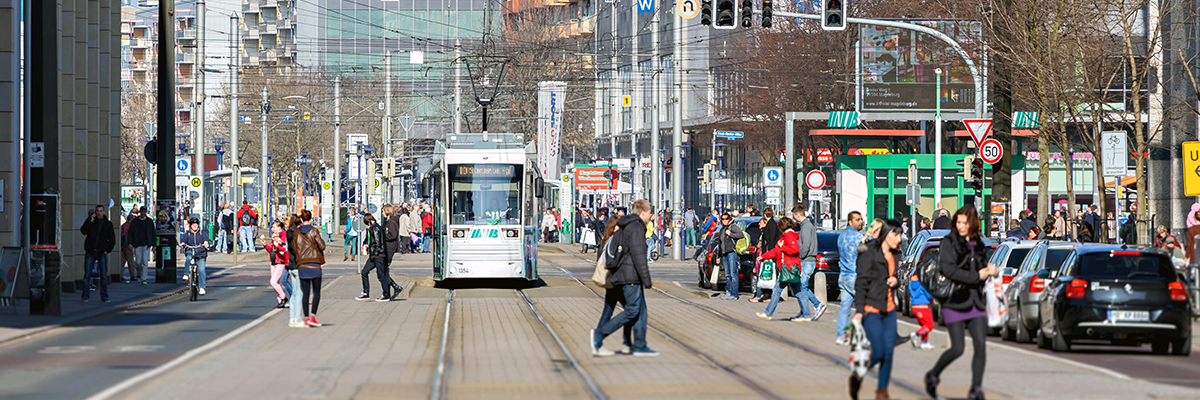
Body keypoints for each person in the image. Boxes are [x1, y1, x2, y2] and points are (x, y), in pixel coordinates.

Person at [925, 207, 996, 400]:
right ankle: (933, 375)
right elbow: (948, 270)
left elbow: (982, 268)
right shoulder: (948, 242)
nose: (961, 226)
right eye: (958, 222)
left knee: (980, 346)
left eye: (965, 223)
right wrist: (976, 276)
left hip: (975, 301)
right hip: (954, 300)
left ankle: (976, 388)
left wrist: (991, 271)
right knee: (957, 348)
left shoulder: (978, 243)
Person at [592, 199, 658, 357]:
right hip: (630, 276)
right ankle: (600, 333)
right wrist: (646, 279)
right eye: (650, 213)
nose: (651, 216)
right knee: (632, 310)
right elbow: (638, 256)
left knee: (640, 311)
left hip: (625, 274)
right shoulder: (636, 227)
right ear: (643, 212)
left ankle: (638, 344)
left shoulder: (628, 225)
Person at [849, 219, 905, 400]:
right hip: (871, 308)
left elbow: (896, 277)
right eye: (895, 235)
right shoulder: (869, 253)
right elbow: (861, 283)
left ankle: (882, 392)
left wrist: (896, 281)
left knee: (888, 353)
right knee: (879, 351)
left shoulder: (896, 254)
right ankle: (858, 374)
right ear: (886, 234)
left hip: (889, 310)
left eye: (900, 235)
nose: (899, 239)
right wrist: (859, 311)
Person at [592, 217, 633, 356]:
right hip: (616, 281)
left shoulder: (610, 239)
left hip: (614, 281)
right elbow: (613, 261)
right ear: (613, 227)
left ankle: (599, 342)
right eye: (618, 226)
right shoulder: (614, 240)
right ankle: (622, 342)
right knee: (630, 310)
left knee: (609, 311)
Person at [755, 217, 800, 320]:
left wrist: (782, 247)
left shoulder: (788, 236)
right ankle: (813, 308)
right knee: (800, 292)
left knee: (777, 290)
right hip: (787, 267)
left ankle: (768, 313)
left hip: (788, 267)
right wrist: (763, 256)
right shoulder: (784, 236)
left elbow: (794, 249)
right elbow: (776, 251)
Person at [290, 210, 327, 327]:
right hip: (314, 264)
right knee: (316, 292)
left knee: (305, 293)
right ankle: (313, 317)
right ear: (311, 219)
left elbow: (295, 249)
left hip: (302, 265)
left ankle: (306, 318)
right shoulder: (314, 231)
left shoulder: (296, 233)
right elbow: (322, 246)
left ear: (301, 219)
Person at [792, 205, 826, 321]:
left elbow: (805, 246)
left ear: (798, 215)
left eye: (794, 216)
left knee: (802, 287)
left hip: (807, 260)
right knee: (802, 286)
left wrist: (799, 257)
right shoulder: (807, 225)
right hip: (808, 259)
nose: (794, 218)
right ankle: (804, 312)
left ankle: (817, 305)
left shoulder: (806, 227)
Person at [835, 211, 865, 345]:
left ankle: (841, 336)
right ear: (850, 222)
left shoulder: (841, 236)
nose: (861, 222)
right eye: (858, 219)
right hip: (855, 276)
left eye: (861, 219)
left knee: (844, 308)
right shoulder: (858, 237)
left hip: (844, 275)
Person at [80, 205, 115, 303]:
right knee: (87, 275)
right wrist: (90, 220)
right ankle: (85, 296)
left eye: (101, 211)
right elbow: (83, 231)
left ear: (103, 212)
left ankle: (104, 296)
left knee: (103, 275)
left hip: (101, 251)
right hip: (91, 251)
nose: (99, 213)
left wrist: (107, 249)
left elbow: (112, 239)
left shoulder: (108, 224)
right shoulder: (91, 222)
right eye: (97, 211)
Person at [357, 214, 395, 302]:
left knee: (381, 275)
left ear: (369, 221)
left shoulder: (375, 228)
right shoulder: (374, 228)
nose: (367, 225)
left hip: (378, 255)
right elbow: (372, 241)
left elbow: (377, 243)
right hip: (374, 255)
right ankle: (366, 293)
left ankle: (386, 294)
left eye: (367, 223)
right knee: (364, 271)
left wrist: (373, 250)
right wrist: (368, 244)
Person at [179, 217, 211, 296]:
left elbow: (206, 239)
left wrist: (206, 243)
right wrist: (182, 243)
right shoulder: (188, 233)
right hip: (190, 250)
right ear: (190, 225)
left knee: (201, 270)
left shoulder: (202, 233)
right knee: (188, 258)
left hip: (201, 252)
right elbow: (184, 240)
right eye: (193, 225)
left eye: (196, 224)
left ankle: (201, 287)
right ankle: (186, 274)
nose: (195, 226)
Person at [716, 212, 745, 300]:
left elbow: (741, 235)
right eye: (723, 219)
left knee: (733, 273)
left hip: (732, 252)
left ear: (729, 219)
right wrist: (718, 256)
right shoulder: (722, 229)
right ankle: (728, 291)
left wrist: (730, 234)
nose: (725, 220)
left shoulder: (733, 227)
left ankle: (734, 293)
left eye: (726, 219)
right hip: (724, 254)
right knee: (727, 274)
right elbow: (720, 243)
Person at [263, 220, 290, 308]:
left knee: (273, 282)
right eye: (272, 227)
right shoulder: (274, 236)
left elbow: (285, 249)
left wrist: (278, 245)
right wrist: (265, 245)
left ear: (279, 227)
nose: (272, 229)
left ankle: (284, 297)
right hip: (273, 260)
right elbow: (270, 249)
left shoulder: (283, 235)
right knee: (276, 283)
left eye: (274, 227)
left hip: (280, 261)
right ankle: (280, 301)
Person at [908, 272, 935, 350]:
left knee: (924, 325)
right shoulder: (923, 282)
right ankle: (916, 334)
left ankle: (924, 342)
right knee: (930, 325)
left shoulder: (912, 282)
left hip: (915, 306)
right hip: (923, 306)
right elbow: (929, 294)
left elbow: (911, 292)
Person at [128, 206, 155, 285]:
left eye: (144, 211)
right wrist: (130, 243)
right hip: (137, 244)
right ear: (140, 212)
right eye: (142, 211)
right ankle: (139, 274)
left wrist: (154, 245)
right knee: (138, 262)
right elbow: (130, 232)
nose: (143, 213)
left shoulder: (149, 221)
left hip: (146, 244)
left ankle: (144, 278)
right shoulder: (135, 221)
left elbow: (153, 233)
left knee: (145, 262)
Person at [120, 212, 138, 283]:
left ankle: (121, 276)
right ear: (131, 219)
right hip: (128, 246)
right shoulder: (131, 226)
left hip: (122, 246)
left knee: (121, 262)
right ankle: (132, 275)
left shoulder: (122, 226)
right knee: (130, 261)